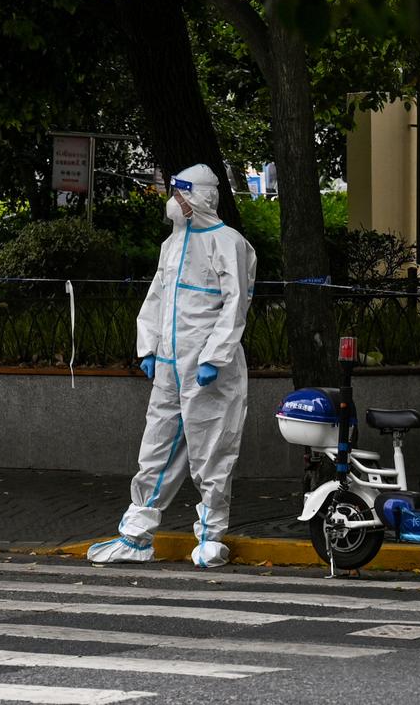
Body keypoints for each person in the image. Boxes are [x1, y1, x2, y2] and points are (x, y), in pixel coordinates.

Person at [88, 163, 256, 568]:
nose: (174, 202)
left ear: (198, 198)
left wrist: (215, 356)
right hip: (169, 365)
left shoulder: (228, 243)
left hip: (207, 366)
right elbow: (157, 298)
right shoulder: (173, 244)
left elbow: (235, 305)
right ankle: (136, 536)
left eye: (180, 195)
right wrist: (148, 347)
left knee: (212, 451)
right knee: (156, 448)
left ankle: (212, 536)